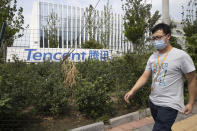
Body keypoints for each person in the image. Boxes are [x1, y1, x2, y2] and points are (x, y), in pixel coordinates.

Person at [124, 23, 197, 131]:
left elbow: (192, 79)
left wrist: (191, 103)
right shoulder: (153, 57)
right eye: (153, 38)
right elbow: (144, 76)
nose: (155, 41)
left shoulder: (181, 56)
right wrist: (132, 90)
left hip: (170, 104)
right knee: (164, 128)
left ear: (168, 36)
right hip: (153, 102)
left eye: (158, 37)